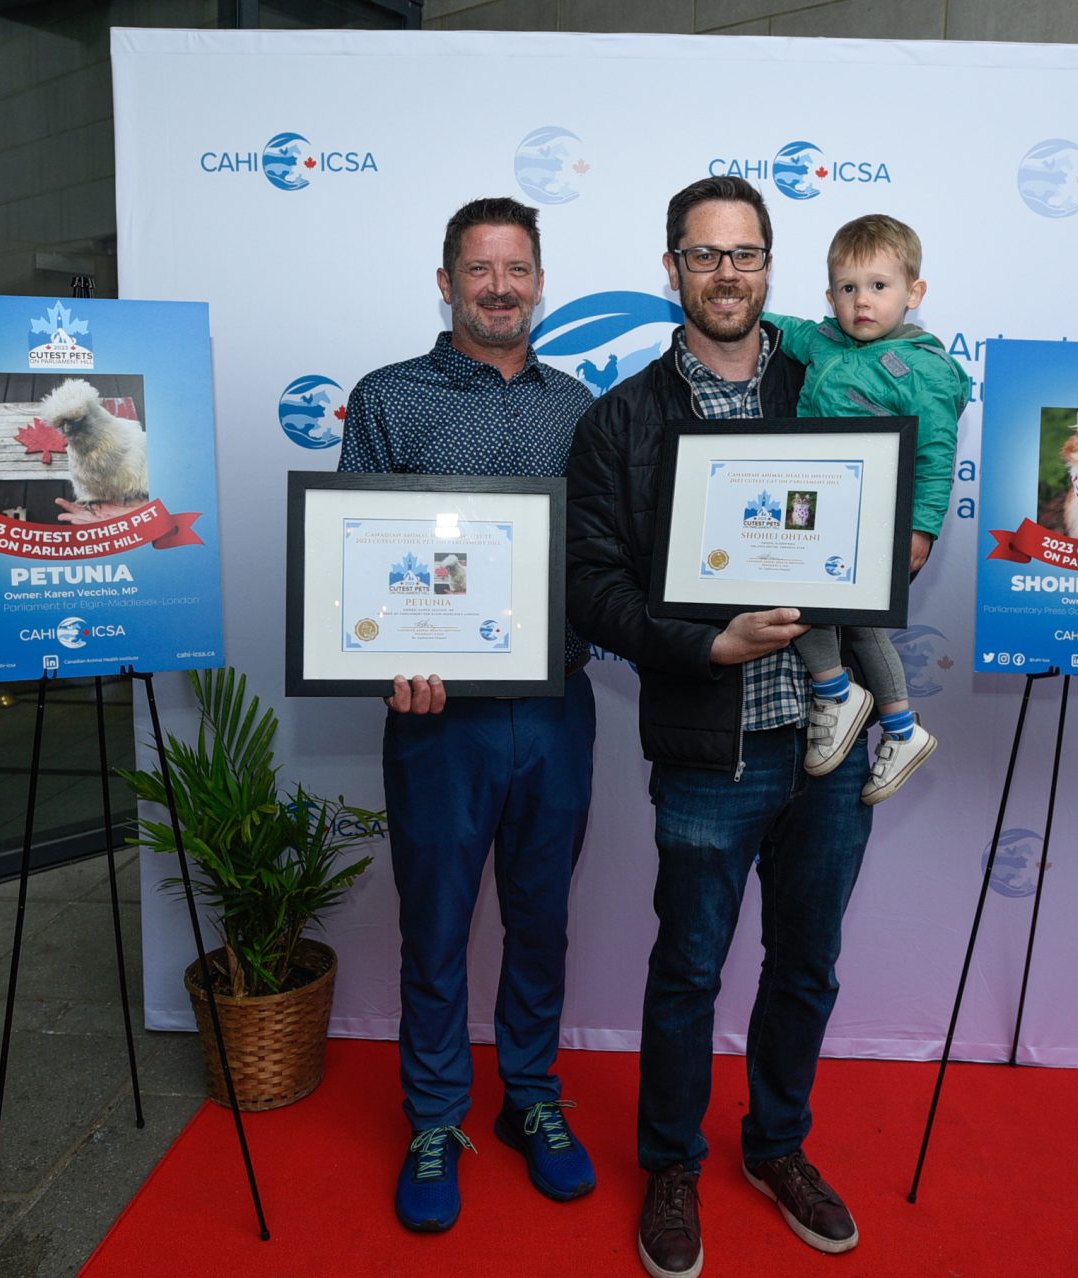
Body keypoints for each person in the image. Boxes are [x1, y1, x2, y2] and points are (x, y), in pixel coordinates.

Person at [567, 176, 873, 1278]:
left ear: (770, 268)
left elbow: (882, 509)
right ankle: (673, 1164)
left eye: (746, 255)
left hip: (830, 750)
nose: (726, 273)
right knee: (689, 969)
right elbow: (591, 588)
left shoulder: (829, 384)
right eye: (705, 255)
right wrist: (710, 645)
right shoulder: (623, 422)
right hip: (710, 747)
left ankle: (777, 1147)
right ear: (673, 270)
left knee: (807, 967)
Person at [340, 196, 598, 1233]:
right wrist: (389, 661)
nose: (501, 287)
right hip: (436, 718)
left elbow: (599, 557)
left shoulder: (579, 404)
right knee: (436, 924)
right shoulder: (389, 397)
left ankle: (532, 1097)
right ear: (446, 282)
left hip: (554, 707)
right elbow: (355, 551)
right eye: (480, 269)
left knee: (541, 919)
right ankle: (437, 1116)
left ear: (541, 281)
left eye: (519, 269)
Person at [765, 213, 968, 805]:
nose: (862, 302)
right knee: (784, 583)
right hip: (811, 497)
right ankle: (859, 704)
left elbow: (935, 453)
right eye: (848, 289)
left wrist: (922, 528)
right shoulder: (823, 340)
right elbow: (776, 326)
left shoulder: (923, 368)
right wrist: (739, 309)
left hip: (874, 513)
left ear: (914, 293)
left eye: (879, 287)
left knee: (859, 619)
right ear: (831, 296)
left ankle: (883, 718)